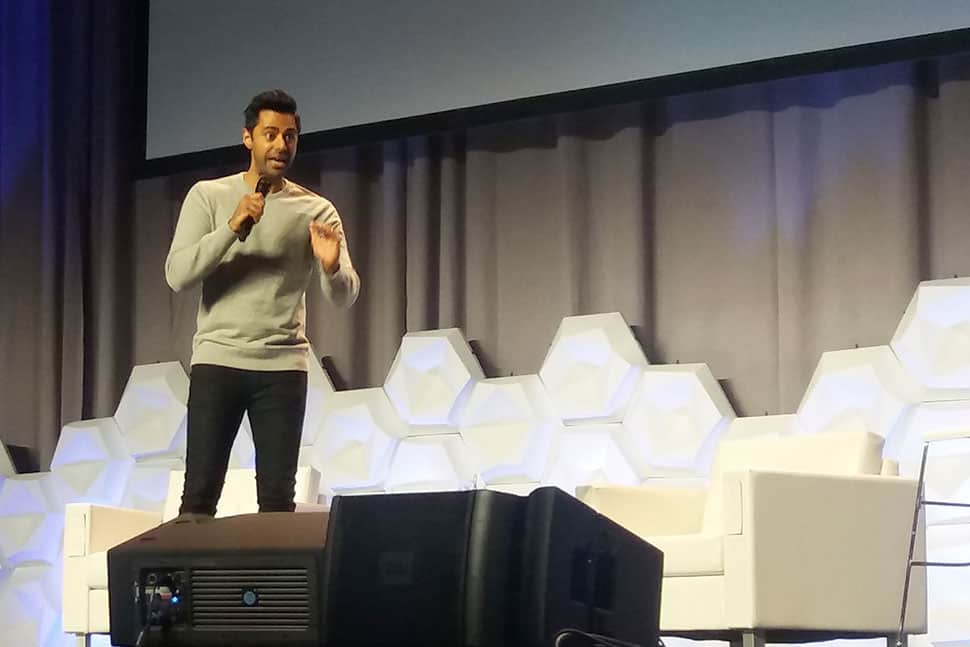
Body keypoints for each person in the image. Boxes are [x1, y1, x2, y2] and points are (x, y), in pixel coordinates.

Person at [164, 89, 360, 516]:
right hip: (218, 361)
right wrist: (232, 226)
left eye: (290, 136)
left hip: (282, 367)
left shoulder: (317, 209)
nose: (281, 145)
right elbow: (177, 275)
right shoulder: (209, 196)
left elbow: (345, 296)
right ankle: (192, 584)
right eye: (270, 134)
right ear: (248, 138)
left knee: (277, 502)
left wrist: (330, 267)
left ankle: (271, 585)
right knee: (197, 496)